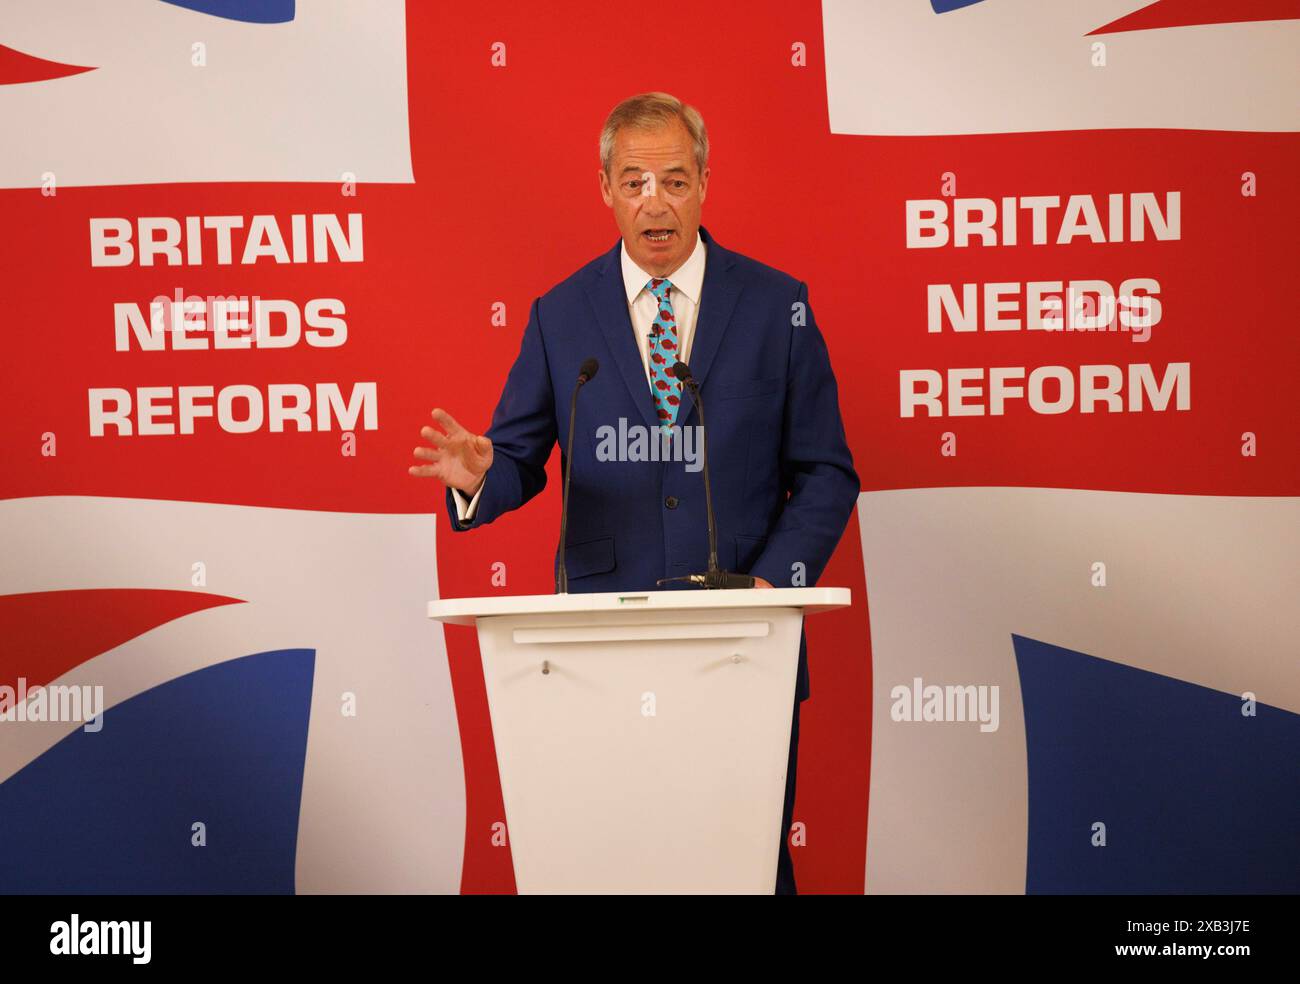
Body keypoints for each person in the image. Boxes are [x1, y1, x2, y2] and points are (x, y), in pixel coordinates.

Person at [410, 92, 858, 894]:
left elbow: (826, 471)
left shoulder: (775, 305)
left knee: (742, 865)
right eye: (635, 181)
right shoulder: (560, 315)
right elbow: (518, 457)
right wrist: (482, 474)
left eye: (676, 181)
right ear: (605, 190)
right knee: (607, 865)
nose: (656, 201)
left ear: (706, 184)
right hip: (594, 655)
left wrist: (771, 585)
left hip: (742, 642)